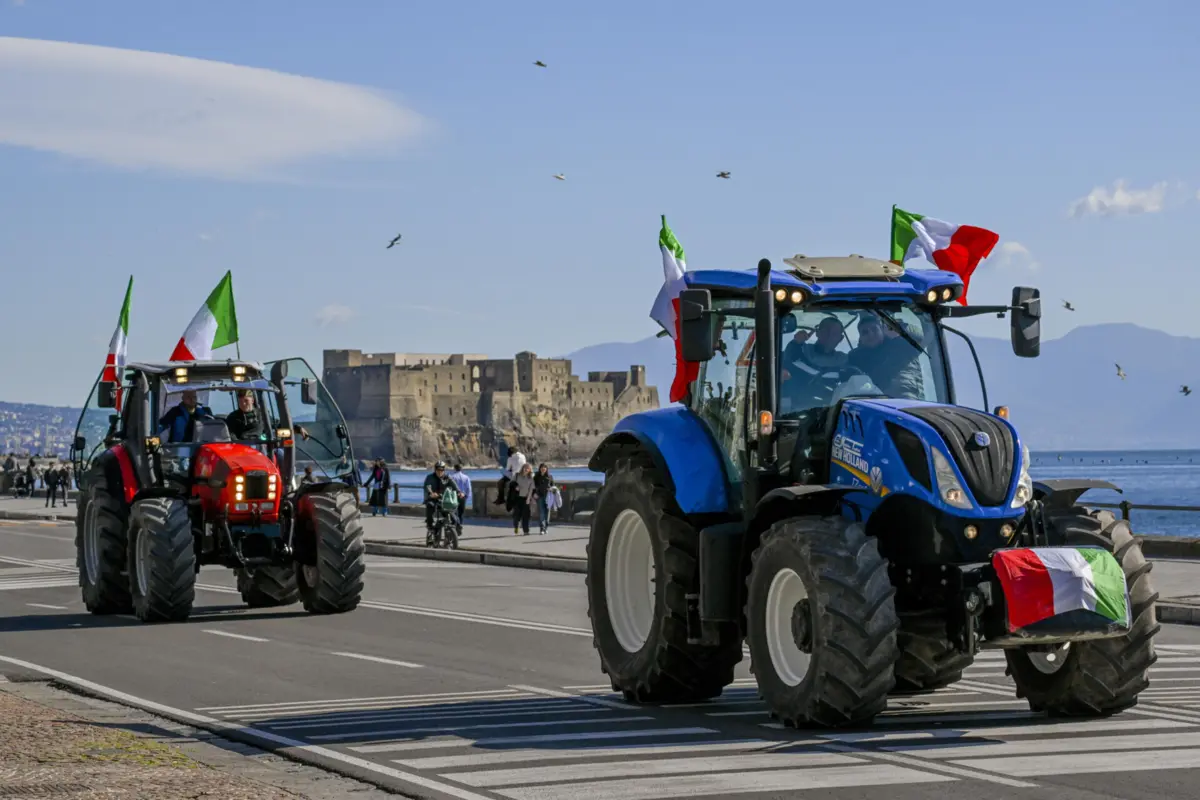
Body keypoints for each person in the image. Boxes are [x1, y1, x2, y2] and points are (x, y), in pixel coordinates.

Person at [849, 313, 927, 399]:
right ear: (860, 338)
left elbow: (921, 336)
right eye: (865, 332)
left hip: (907, 401)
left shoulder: (901, 344)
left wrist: (899, 328)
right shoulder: (855, 358)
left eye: (874, 329)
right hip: (871, 404)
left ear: (883, 330)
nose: (870, 334)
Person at [423, 461, 457, 542]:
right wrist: (431, 493)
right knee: (430, 506)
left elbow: (454, 486)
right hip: (432, 499)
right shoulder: (430, 477)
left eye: (442, 470)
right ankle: (430, 526)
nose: (440, 471)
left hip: (444, 500)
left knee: (453, 517)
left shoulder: (447, 477)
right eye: (438, 469)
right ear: (435, 469)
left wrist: (460, 493)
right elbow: (427, 486)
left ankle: (452, 533)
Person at [511, 462, 535, 535]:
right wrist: (515, 487)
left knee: (526, 516)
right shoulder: (517, 475)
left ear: (530, 470)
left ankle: (526, 531)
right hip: (517, 498)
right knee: (516, 515)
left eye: (528, 468)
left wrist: (528, 499)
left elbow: (531, 489)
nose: (526, 469)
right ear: (522, 468)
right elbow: (511, 483)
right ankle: (516, 527)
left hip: (525, 499)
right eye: (525, 468)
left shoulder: (530, 478)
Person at [448, 463, 472, 536]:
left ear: (454, 468)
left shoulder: (451, 477)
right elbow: (468, 489)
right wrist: (467, 496)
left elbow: (449, 488)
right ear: (461, 469)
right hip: (462, 496)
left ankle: (455, 527)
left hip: (454, 496)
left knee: (453, 512)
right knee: (461, 513)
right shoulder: (466, 477)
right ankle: (460, 525)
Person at [532, 463, 555, 535]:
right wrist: (534, 494)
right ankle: (542, 528)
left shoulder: (550, 476)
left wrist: (551, 489)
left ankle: (546, 527)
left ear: (547, 469)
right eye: (542, 467)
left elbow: (553, 486)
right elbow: (532, 486)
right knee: (541, 512)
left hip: (548, 496)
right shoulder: (536, 476)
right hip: (539, 496)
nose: (543, 468)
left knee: (547, 512)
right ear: (540, 468)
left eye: (545, 467)